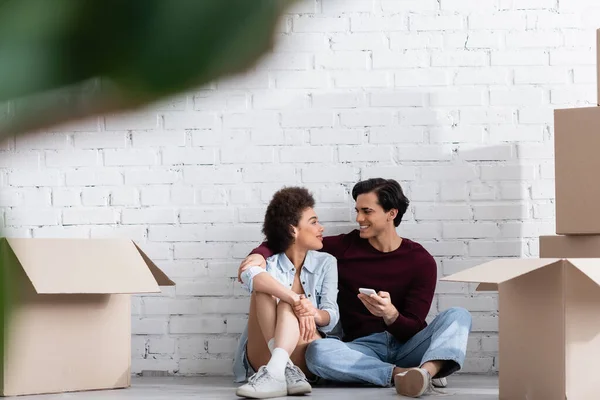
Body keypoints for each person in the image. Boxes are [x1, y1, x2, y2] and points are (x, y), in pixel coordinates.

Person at [238, 178, 472, 398]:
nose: (359, 218)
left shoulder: (421, 261)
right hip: (361, 348)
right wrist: (259, 254)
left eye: (367, 211)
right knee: (318, 352)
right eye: (357, 211)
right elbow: (292, 239)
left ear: (392, 213)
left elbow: (413, 326)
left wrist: (390, 315)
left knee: (458, 315)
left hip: (408, 345)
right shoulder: (344, 246)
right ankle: (403, 374)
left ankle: (427, 372)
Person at [233, 187, 339, 399]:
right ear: (293, 230)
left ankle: (276, 371)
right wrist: (293, 297)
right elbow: (248, 274)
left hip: (306, 348)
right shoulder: (267, 262)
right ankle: (281, 369)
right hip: (260, 350)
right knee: (266, 291)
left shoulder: (327, 262)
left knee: (282, 300)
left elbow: (331, 317)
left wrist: (312, 312)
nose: (321, 227)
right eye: (314, 221)